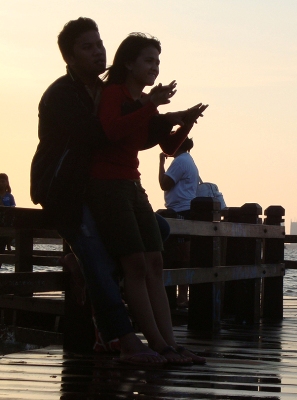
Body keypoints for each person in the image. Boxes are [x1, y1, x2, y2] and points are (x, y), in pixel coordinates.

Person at [30, 18, 174, 366]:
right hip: (64, 188)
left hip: (97, 188)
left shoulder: (105, 89)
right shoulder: (63, 94)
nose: (98, 51)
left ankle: (78, 265)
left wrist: (167, 118)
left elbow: (128, 137)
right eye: (87, 47)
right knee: (95, 251)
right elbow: (98, 135)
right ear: (70, 57)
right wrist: (147, 107)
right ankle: (123, 338)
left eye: (99, 44)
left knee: (160, 230)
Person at [86, 33, 207, 365]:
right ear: (129, 63)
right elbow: (112, 130)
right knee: (135, 264)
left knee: (155, 261)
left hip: (133, 185)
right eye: (148, 60)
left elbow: (168, 147)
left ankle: (170, 343)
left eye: (157, 61)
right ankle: (156, 344)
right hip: (108, 186)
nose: (155, 67)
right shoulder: (115, 94)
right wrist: (152, 105)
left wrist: (185, 122)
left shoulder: (141, 101)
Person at [158, 137, 199, 308]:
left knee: (180, 255)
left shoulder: (180, 161)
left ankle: (180, 297)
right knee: (181, 255)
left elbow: (164, 184)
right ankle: (181, 296)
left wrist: (161, 163)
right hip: (185, 209)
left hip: (180, 210)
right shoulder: (188, 160)